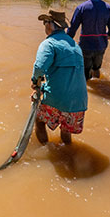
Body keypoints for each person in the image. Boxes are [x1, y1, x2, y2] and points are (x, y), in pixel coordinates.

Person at [31, 9, 88, 145]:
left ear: (51, 24)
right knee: (66, 128)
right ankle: (67, 154)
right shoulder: (75, 45)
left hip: (59, 99)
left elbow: (39, 67)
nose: (44, 26)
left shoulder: (49, 43)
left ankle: (46, 151)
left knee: (39, 121)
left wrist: (35, 83)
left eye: (45, 22)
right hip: (79, 102)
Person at [66, 0, 110, 80]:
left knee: (85, 73)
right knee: (96, 69)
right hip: (101, 46)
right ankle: (98, 87)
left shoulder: (81, 8)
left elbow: (72, 29)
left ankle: (89, 93)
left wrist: (66, 40)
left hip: (85, 46)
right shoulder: (109, 8)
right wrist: (109, 34)